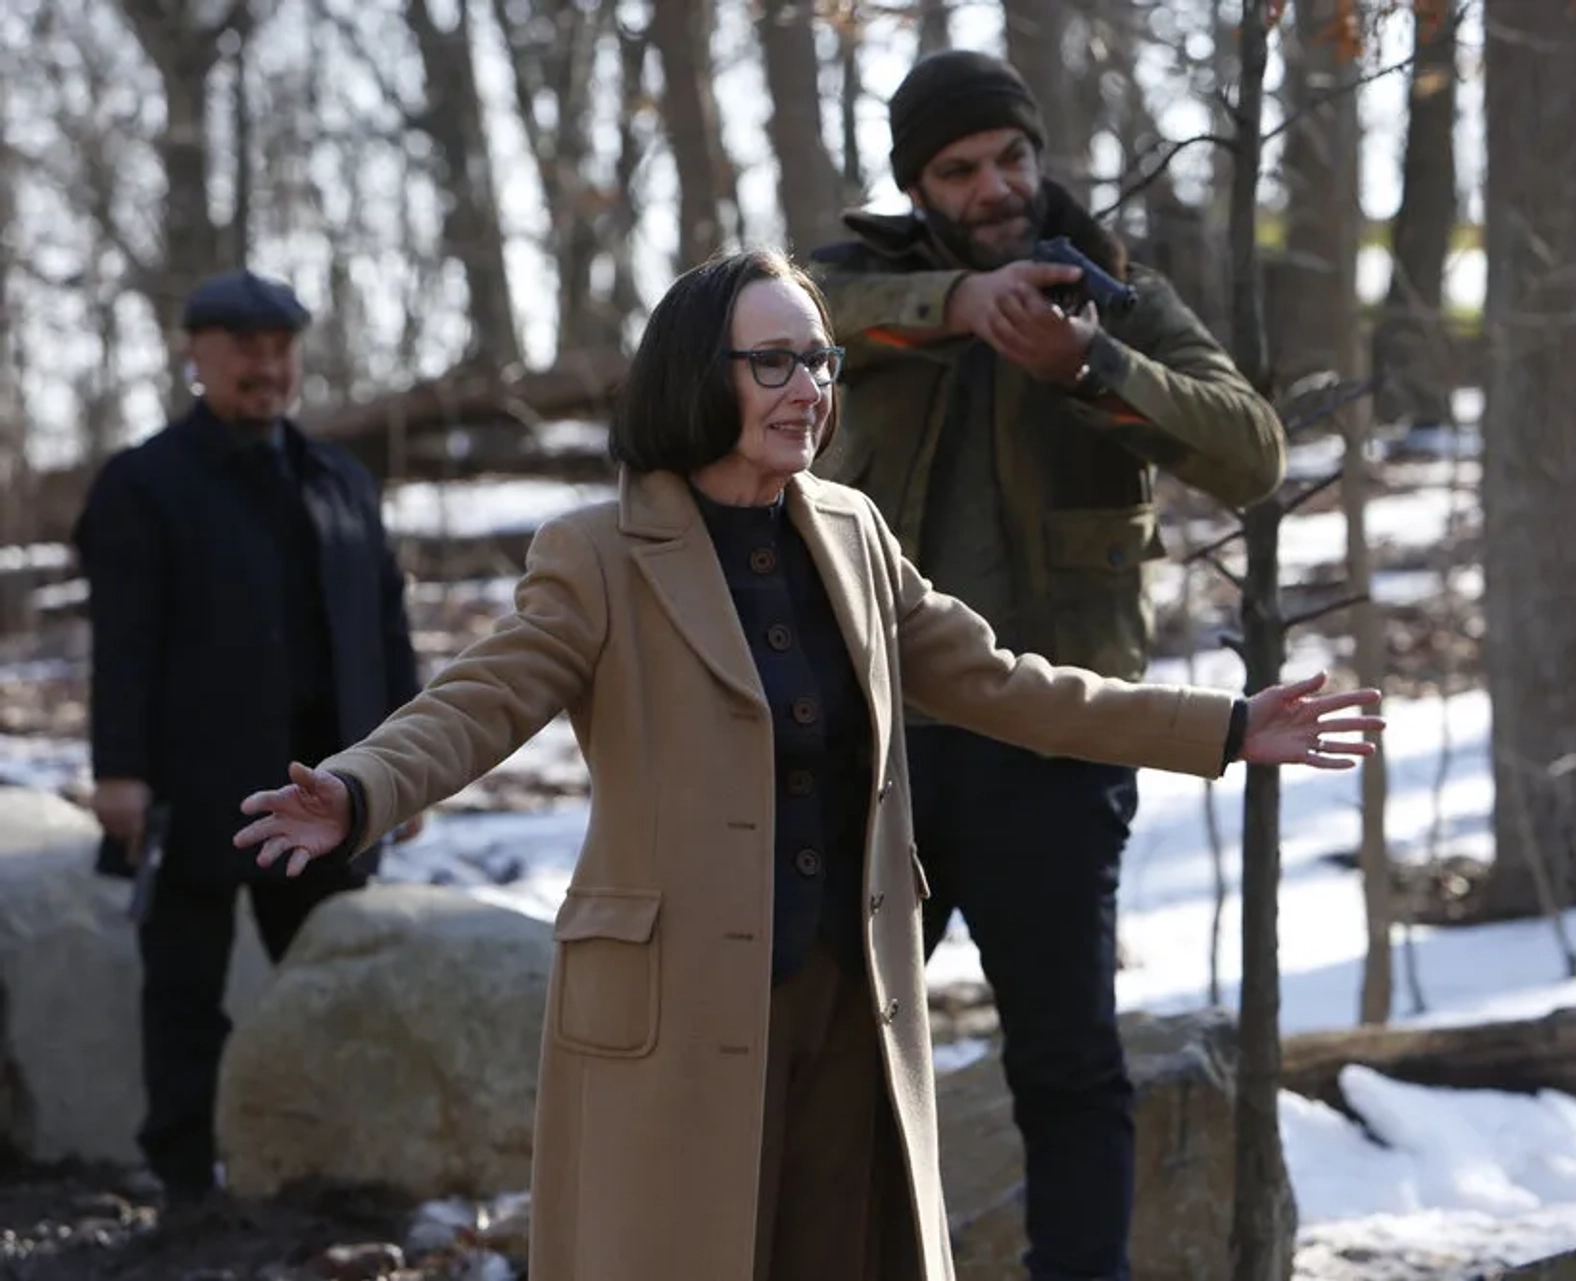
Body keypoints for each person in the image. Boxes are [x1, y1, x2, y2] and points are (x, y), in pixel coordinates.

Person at [233, 250, 1382, 1281]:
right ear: (700, 375)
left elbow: (1006, 685)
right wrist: (361, 787)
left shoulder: (853, 532)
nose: (810, 389)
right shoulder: (596, 552)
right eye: (774, 362)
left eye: (820, 361)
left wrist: (1224, 727)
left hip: (850, 989)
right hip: (674, 1004)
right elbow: (486, 697)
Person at [806, 48, 1292, 1281]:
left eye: (1012, 158)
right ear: (919, 188)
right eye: (960, 171)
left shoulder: (1114, 290)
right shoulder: (855, 287)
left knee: (1069, 1068)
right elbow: (773, 322)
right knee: (813, 1054)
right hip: (872, 751)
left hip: (1058, 748)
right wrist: (954, 310)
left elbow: (1252, 452)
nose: (994, 187)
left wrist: (1092, 369)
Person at [73, 268, 424, 1208]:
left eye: (281, 349)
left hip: (332, 791)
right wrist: (120, 774)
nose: (266, 369)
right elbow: (124, 642)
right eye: (245, 350)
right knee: (183, 991)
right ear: (198, 354)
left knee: (332, 985)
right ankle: (184, 1180)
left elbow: (387, 631)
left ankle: (330, 1168)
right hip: (196, 788)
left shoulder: (340, 479)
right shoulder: (143, 484)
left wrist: (407, 771)